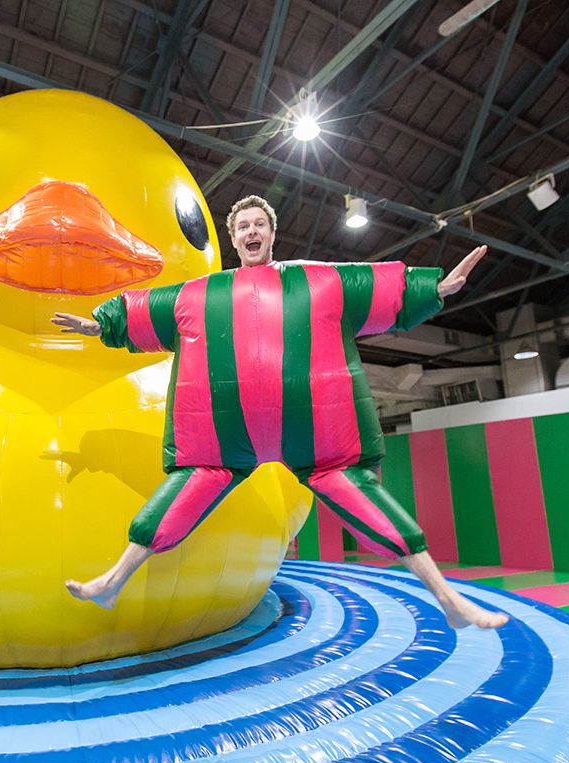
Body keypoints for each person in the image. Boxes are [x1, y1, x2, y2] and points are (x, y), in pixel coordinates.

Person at [53, 195, 508, 630]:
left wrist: (437, 288)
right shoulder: (199, 296)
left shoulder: (319, 281)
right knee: (173, 503)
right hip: (220, 441)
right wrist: (100, 324)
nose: (251, 232)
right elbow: (146, 312)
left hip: (318, 438)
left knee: (372, 504)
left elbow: (382, 288)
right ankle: (113, 582)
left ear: (272, 233)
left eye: (259, 224)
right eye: (243, 227)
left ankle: (448, 600)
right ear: (233, 239)